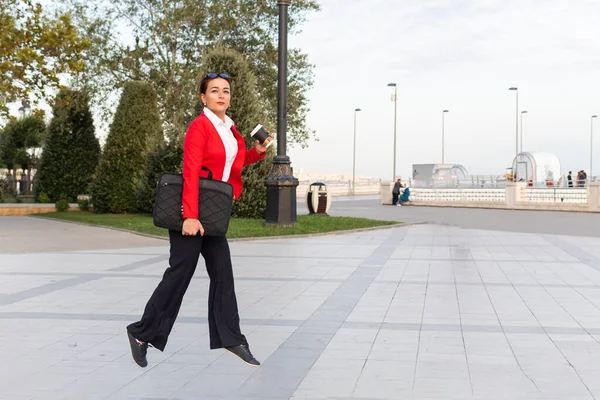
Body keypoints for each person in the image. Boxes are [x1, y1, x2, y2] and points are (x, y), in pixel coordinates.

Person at [126, 72, 269, 368]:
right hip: (191, 210)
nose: (221, 95)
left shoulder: (231, 130)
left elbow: (233, 162)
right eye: (214, 91)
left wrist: (256, 153)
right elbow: (190, 171)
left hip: (213, 211)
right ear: (203, 97)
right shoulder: (199, 127)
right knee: (180, 273)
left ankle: (232, 339)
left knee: (223, 274)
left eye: (226, 91)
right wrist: (189, 216)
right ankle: (141, 334)